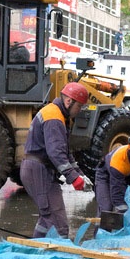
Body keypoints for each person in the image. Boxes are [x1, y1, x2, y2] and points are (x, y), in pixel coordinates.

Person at [20, 81, 91, 238]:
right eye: (79, 106)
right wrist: (73, 177)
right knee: (58, 225)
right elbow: (56, 153)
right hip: (38, 171)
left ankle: (35, 252)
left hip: (38, 170)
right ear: (68, 101)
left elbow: (65, 151)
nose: (79, 111)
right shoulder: (54, 117)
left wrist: (79, 173)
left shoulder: (57, 115)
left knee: (47, 220)